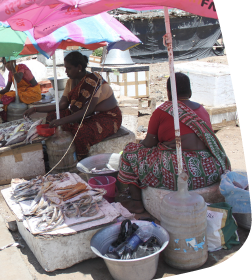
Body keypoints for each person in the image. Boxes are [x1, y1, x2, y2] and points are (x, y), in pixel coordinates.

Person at [117, 72, 231, 214]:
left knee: (129, 151)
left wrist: (154, 145)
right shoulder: (201, 110)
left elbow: (149, 143)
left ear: (169, 93)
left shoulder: (162, 111)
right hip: (210, 171)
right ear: (190, 92)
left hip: (179, 174)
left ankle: (136, 202)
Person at [24, 51, 122, 159]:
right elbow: (62, 105)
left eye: (68, 68)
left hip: (106, 116)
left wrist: (62, 121)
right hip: (86, 114)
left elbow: (87, 111)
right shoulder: (70, 82)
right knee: (53, 116)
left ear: (79, 67)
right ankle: (54, 150)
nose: (66, 71)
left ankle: (80, 159)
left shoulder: (93, 80)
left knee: (79, 131)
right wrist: (35, 109)